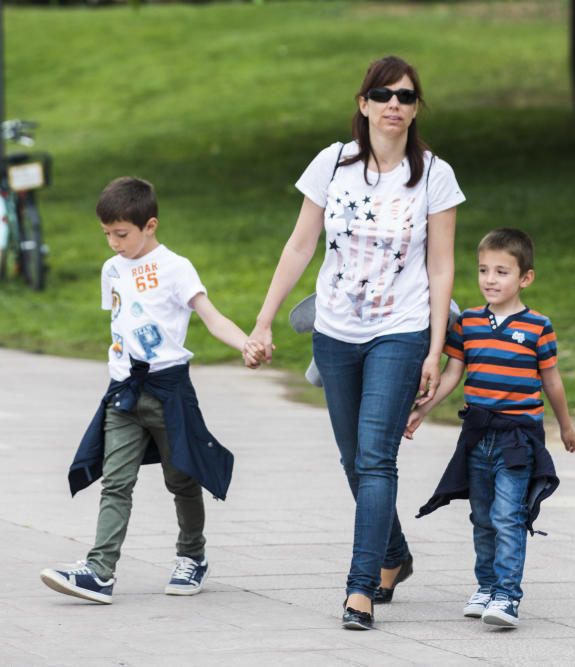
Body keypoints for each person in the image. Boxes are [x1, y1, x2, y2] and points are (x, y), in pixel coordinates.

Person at [248, 55, 465, 630]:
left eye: (407, 96)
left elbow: (441, 268)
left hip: (402, 329)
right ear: (363, 103)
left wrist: (434, 345)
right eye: (384, 93)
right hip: (336, 332)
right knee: (353, 457)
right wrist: (264, 321)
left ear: (416, 109)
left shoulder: (434, 175)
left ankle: (359, 590)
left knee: (376, 457)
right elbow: (299, 247)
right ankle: (393, 554)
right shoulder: (332, 164)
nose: (395, 104)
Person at [40, 177, 262, 604]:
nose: (113, 244)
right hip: (123, 391)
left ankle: (192, 556)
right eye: (106, 234)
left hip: (168, 389)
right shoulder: (112, 269)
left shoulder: (175, 268)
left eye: (121, 234)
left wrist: (246, 344)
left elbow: (211, 318)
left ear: (151, 225)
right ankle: (100, 571)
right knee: (115, 482)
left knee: (181, 479)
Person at [406, 228, 575, 629]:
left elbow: (552, 381)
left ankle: (507, 596)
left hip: (518, 439)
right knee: (482, 517)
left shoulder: (538, 327)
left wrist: (566, 427)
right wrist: (424, 410)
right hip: (477, 437)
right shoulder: (468, 322)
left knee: (508, 517)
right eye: (484, 270)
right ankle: (485, 587)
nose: (489, 279)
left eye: (501, 271)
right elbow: (452, 376)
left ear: (525, 278)